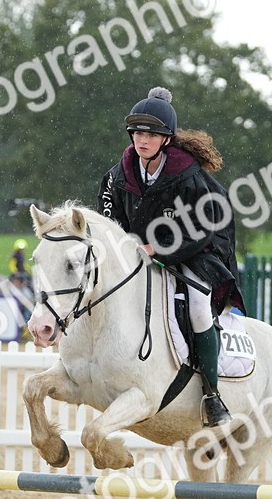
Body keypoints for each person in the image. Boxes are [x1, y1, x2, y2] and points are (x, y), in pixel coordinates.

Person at [96, 86, 244, 427]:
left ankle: (211, 394)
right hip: (141, 248)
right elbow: (110, 216)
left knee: (195, 303)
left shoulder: (188, 176)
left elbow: (201, 229)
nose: (141, 140)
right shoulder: (117, 175)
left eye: (150, 134)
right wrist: (125, 245)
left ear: (166, 139)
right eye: (137, 133)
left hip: (199, 249)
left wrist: (155, 249)